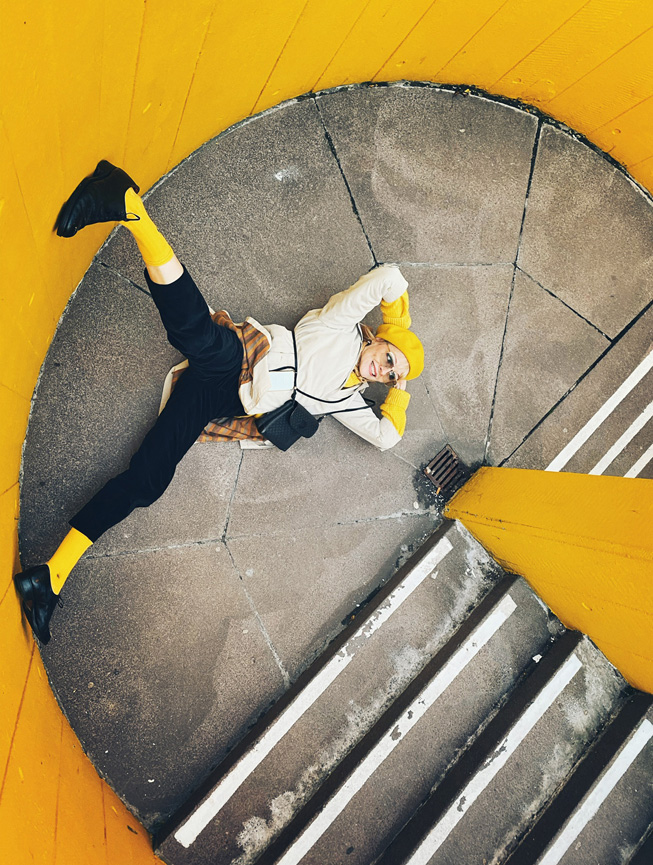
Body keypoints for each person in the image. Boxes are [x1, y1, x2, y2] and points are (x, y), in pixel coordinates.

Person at [14, 160, 424, 644]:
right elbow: (390, 278)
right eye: (390, 357)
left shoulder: (347, 400)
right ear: (380, 338)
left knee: (148, 481)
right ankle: (127, 205)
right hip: (242, 356)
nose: (385, 370)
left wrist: (399, 392)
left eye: (391, 374)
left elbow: (386, 435)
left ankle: (50, 578)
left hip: (220, 399)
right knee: (192, 330)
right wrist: (401, 321)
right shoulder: (339, 326)